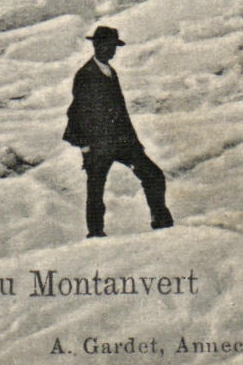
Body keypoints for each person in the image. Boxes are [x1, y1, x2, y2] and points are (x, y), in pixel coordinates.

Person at [63, 25, 174, 238]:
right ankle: (95, 234)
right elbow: (76, 112)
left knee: (154, 176)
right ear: (96, 45)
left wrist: (135, 143)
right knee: (95, 191)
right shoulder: (85, 75)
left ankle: (161, 220)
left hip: (122, 142)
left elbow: (120, 112)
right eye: (107, 45)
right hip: (98, 145)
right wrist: (85, 146)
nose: (111, 50)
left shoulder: (110, 72)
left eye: (114, 46)